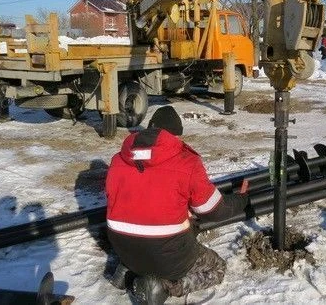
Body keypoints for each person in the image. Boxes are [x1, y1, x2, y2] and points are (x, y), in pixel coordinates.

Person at [105, 105, 249, 303]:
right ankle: (163, 288)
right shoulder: (186, 162)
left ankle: (126, 271)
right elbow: (213, 211)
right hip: (168, 256)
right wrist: (242, 200)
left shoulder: (118, 160)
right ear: (175, 136)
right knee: (217, 268)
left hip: (124, 249)